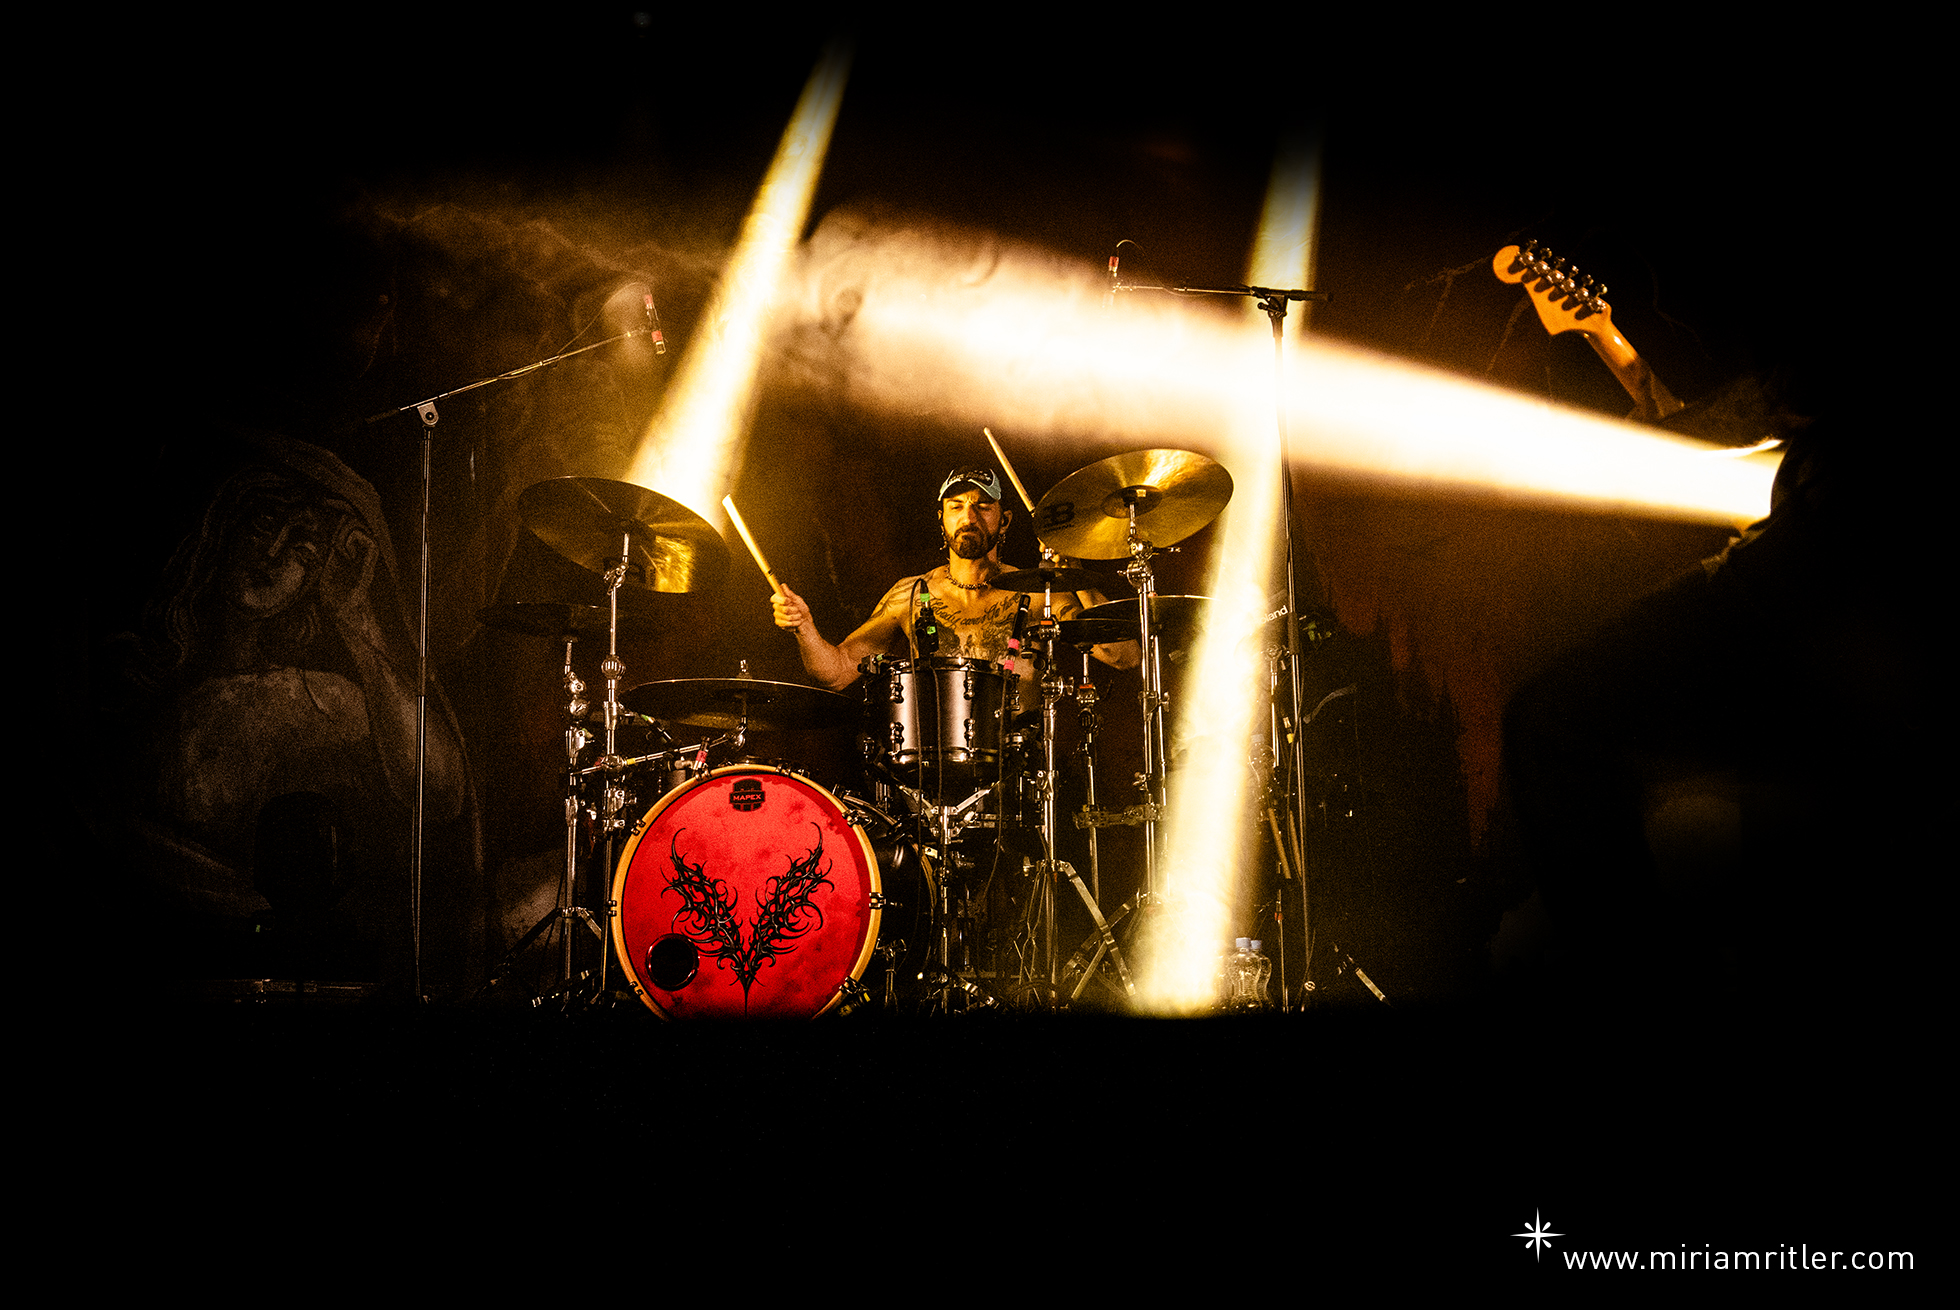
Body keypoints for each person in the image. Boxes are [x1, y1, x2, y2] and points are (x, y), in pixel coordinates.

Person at [771, 466, 1139, 705]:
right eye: (956, 506)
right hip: (929, 767)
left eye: (983, 506)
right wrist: (804, 627)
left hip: (1019, 768)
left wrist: (1073, 572)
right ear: (941, 519)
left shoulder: (1038, 592)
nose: (969, 516)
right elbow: (837, 673)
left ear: (1005, 520)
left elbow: (1124, 656)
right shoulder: (910, 594)